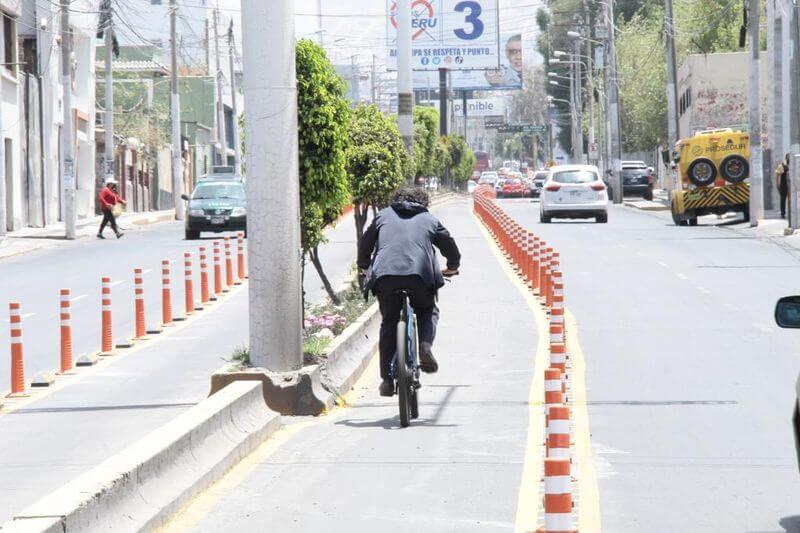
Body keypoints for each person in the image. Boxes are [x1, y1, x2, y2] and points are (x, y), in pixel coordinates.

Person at [357, 187, 461, 397]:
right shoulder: (428, 219)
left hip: (385, 277)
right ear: (423, 202)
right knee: (427, 310)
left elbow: (365, 243)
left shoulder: (382, 216)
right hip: (420, 278)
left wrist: (364, 266)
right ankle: (424, 347)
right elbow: (449, 245)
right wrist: (452, 266)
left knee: (389, 321)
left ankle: (387, 380)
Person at [776, 154, 790, 219]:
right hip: (784, 185)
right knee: (783, 200)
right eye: (788, 157)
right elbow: (778, 175)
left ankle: (792, 213)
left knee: (793, 200)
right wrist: (777, 184)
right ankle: (783, 213)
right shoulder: (782, 165)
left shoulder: (794, 164)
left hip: (791, 186)